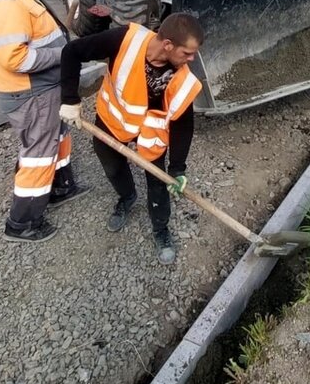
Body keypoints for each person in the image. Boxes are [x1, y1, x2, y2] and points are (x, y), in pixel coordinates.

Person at [59, 13, 204, 265]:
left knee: (159, 182)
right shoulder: (125, 40)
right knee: (113, 168)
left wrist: (178, 168)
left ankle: (161, 229)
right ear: (168, 45)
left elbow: (183, 124)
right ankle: (127, 197)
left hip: (150, 135)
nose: (192, 59)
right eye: (187, 53)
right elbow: (72, 52)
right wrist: (70, 100)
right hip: (113, 121)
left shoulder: (180, 77)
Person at [0, 0, 81, 244]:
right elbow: (15, 58)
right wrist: (63, 55)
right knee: (38, 152)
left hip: (45, 87)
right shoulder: (5, 2)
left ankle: (61, 186)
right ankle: (22, 222)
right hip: (31, 91)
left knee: (57, 136)